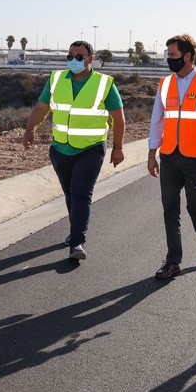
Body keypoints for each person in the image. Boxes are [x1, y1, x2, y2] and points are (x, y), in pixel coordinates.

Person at [22, 41, 125, 261]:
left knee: (81, 193)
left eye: (79, 56)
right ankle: (74, 232)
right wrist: (30, 129)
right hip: (60, 149)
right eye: (70, 56)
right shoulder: (56, 79)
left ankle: (77, 242)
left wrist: (118, 147)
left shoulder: (104, 83)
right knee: (70, 194)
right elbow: (42, 108)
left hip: (91, 149)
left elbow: (118, 118)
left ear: (90, 58)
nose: (73, 60)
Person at [147, 34, 196, 280]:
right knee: (170, 210)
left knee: (195, 209)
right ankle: (172, 262)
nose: (168, 59)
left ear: (187, 56)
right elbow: (157, 121)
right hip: (170, 156)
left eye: (172, 55)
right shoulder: (165, 84)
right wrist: (152, 153)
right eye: (168, 55)